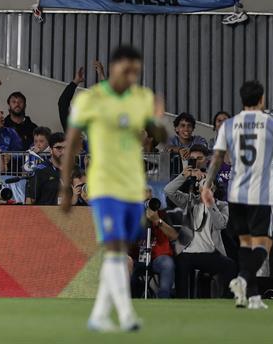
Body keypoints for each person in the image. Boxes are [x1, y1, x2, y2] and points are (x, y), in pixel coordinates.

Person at [60, 45, 167, 332]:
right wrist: (66, 187)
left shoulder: (141, 98)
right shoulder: (92, 99)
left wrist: (158, 121)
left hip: (133, 186)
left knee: (119, 251)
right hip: (104, 184)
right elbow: (71, 143)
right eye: (127, 70)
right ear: (115, 67)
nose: (131, 76)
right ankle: (126, 313)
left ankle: (99, 314)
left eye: (136, 71)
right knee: (116, 248)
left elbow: (157, 138)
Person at [203, 80, 273, 310]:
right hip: (260, 195)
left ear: (242, 99)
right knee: (263, 245)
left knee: (244, 244)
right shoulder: (271, 124)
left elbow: (217, 157)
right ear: (261, 100)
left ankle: (251, 296)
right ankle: (243, 280)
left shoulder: (229, 125)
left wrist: (207, 185)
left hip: (236, 193)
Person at [165, 146, 236, 298]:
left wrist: (209, 202)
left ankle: (227, 302)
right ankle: (181, 301)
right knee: (181, 261)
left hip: (211, 253)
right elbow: (168, 191)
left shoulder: (222, 206)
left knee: (230, 265)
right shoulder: (191, 201)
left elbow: (220, 225)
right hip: (188, 252)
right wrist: (184, 175)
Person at [25, 136, 63, 204]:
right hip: (45, 212)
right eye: (58, 148)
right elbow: (30, 200)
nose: (63, 151)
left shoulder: (75, 169)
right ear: (50, 150)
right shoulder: (40, 170)